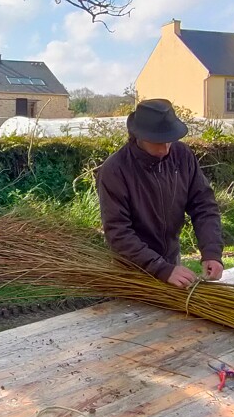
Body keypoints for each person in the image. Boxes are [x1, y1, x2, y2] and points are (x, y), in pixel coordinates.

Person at [96, 99, 224, 287]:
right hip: (133, 269)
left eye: (169, 140)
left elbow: (203, 205)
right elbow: (118, 232)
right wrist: (160, 268)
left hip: (171, 262)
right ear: (139, 136)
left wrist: (212, 251)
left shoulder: (182, 155)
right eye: (157, 142)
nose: (165, 149)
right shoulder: (115, 170)